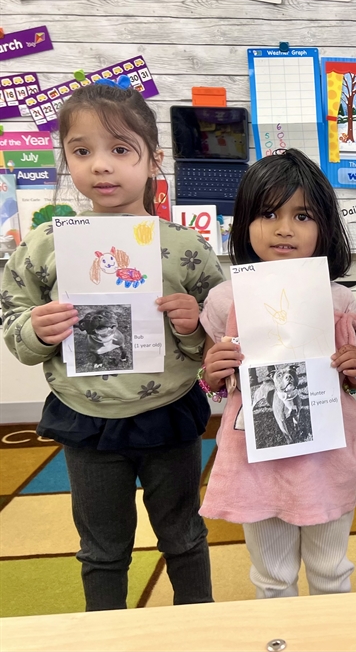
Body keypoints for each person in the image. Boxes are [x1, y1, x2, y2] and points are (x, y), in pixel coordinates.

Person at [1, 82, 224, 610]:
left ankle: (200, 631)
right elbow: (12, 320)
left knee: (184, 536)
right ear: (66, 159)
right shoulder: (44, 245)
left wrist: (194, 326)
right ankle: (106, 634)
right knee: (102, 548)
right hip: (86, 420)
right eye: (82, 151)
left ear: (153, 159)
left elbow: (219, 345)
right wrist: (37, 328)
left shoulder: (185, 248)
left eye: (120, 150)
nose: (101, 166)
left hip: (166, 414)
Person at [198, 148, 356, 598]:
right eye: (269, 213)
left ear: (324, 228)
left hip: (326, 458)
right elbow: (219, 386)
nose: (284, 228)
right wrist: (213, 374)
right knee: (272, 577)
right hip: (257, 461)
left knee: (331, 569)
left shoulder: (338, 300)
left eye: (303, 216)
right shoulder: (223, 300)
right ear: (245, 223)